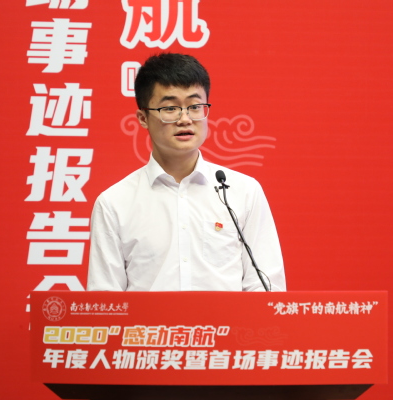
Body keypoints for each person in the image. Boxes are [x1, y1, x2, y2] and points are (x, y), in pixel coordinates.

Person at [86, 53, 286, 291]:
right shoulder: (114, 203)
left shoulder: (243, 191)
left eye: (195, 106)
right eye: (170, 108)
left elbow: (265, 289)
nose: (185, 119)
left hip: (228, 319)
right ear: (143, 118)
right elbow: (105, 300)